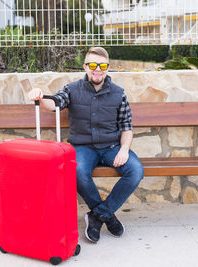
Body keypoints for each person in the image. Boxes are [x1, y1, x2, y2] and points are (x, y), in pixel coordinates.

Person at [28, 47, 144, 243]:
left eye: (102, 65)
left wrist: (124, 149)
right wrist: (40, 96)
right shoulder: (72, 89)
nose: (97, 69)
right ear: (85, 67)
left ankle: (98, 215)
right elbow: (54, 104)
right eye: (92, 65)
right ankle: (107, 216)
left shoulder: (119, 94)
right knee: (77, 171)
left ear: (108, 68)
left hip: (111, 147)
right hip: (83, 147)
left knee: (136, 170)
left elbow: (126, 127)